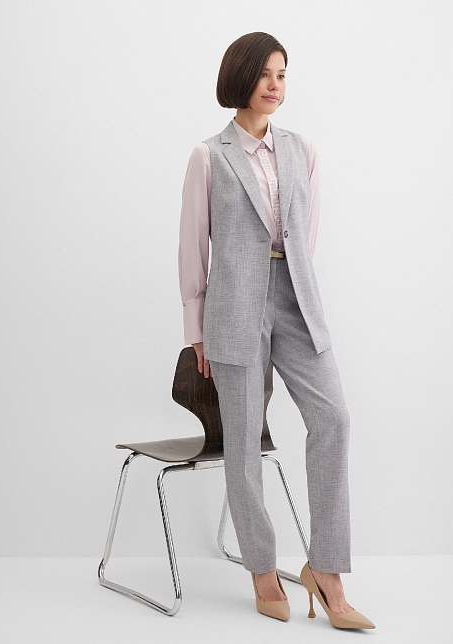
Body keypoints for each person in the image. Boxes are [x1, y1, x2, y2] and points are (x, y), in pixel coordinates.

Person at [178, 32, 375, 629]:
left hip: (296, 298)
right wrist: (196, 330)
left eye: (282, 74)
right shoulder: (209, 156)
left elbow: (304, 234)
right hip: (233, 306)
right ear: (240, 78)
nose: (274, 85)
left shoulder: (302, 149)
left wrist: (294, 282)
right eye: (265, 74)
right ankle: (262, 569)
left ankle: (327, 571)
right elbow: (193, 245)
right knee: (242, 442)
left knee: (333, 418)